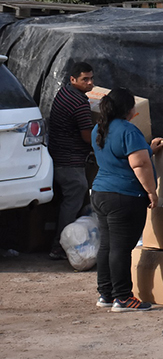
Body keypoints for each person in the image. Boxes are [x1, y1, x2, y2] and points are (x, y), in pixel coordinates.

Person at [90, 88, 163, 312]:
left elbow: (120, 156)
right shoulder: (129, 130)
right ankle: (123, 297)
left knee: (107, 246)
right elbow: (138, 164)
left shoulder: (98, 129)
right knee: (121, 249)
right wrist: (151, 191)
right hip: (125, 196)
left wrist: (148, 150)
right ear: (130, 109)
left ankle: (106, 293)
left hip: (101, 192)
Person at [47, 62, 95, 260]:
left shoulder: (64, 92)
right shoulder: (79, 103)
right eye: (85, 79)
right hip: (69, 160)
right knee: (76, 193)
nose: (90, 83)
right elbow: (87, 137)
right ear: (73, 80)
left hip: (57, 154)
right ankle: (60, 245)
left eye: (91, 78)